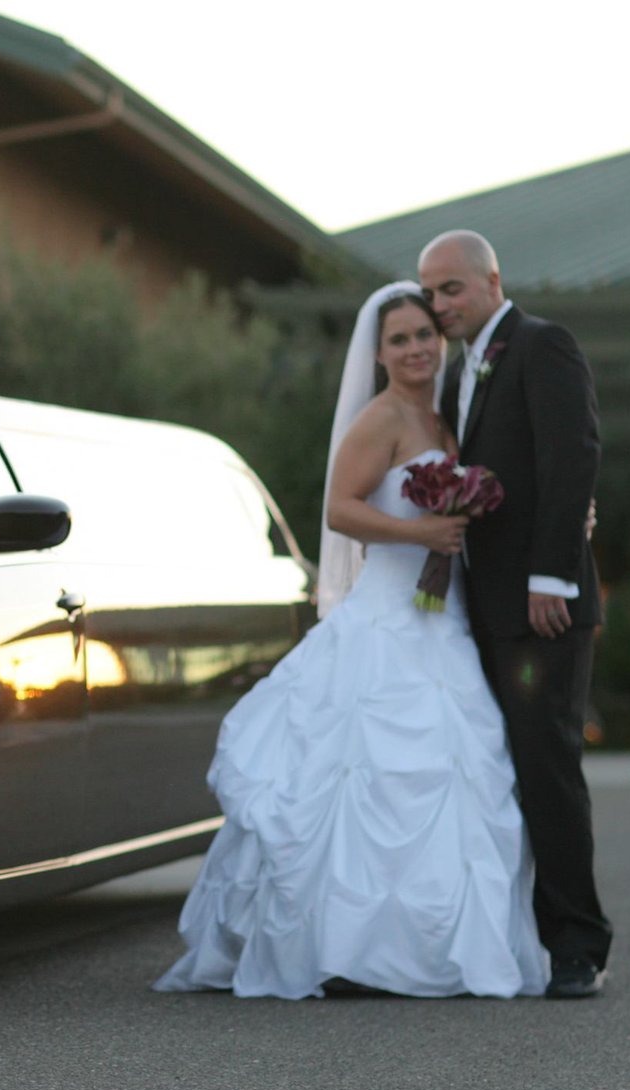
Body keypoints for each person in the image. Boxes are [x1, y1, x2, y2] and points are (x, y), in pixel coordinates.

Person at [154, 281, 550, 999]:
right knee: (359, 775)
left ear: (440, 341)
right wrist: (421, 531)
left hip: (444, 621)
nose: (415, 349)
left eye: (424, 335)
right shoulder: (380, 419)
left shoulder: (447, 419)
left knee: (460, 768)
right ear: (378, 353)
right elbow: (340, 512)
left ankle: (431, 950)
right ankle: (345, 949)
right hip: (386, 617)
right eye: (398, 340)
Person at [418, 230, 610, 999]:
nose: (440, 305)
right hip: (482, 604)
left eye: (452, 289)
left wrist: (551, 579)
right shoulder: (464, 368)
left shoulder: (541, 343)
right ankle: (520, 933)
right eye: (431, 293)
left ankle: (578, 946)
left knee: (546, 765)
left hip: (541, 607)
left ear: (493, 279)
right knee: (504, 769)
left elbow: (575, 455)